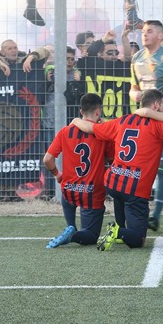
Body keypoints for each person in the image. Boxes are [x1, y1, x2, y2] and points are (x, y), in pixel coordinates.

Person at [71, 89, 163, 250]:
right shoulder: (158, 125)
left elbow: (91, 128)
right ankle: (117, 231)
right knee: (138, 240)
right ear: (156, 106)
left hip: (113, 182)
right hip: (135, 189)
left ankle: (119, 227)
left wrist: (75, 120)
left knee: (120, 193)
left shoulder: (122, 120)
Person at [130, 20, 163, 232]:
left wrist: (158, 108)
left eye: (149, 31)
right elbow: (133, 89)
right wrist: (137, 96)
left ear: (160, 35)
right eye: (143, 31)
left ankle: (155, 216)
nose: (144, 34)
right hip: (147, 118)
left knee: (162, 166)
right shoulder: (136, 58)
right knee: (161, 167)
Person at [43, 93, 109, 247]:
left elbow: (47, 159)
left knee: (67, 192)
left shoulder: (66, 131)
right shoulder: (103, 133)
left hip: (69, 189)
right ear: (98, 112)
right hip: (91, 191)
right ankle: (72, 235)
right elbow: (112, 161)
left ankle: (70, 226)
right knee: (91, 237)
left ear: (81, 111)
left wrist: (57, 174)